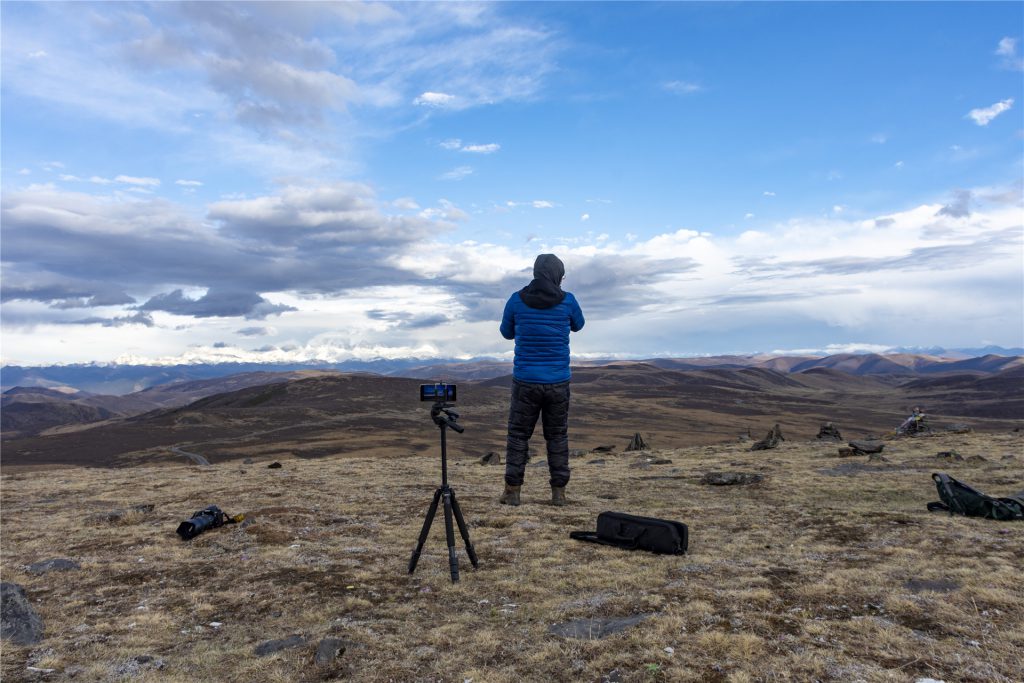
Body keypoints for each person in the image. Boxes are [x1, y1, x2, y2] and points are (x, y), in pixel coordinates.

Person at [498, 254, 585, 506]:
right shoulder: (568, 301)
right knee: (557, 436)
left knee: (517, 436)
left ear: (536, 272)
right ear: (558, 275)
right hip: (558, 381)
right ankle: (559, 494)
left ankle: (512, 491)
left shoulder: (516, 300)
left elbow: (506, 333)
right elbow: (578, 325)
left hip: (525, 381)